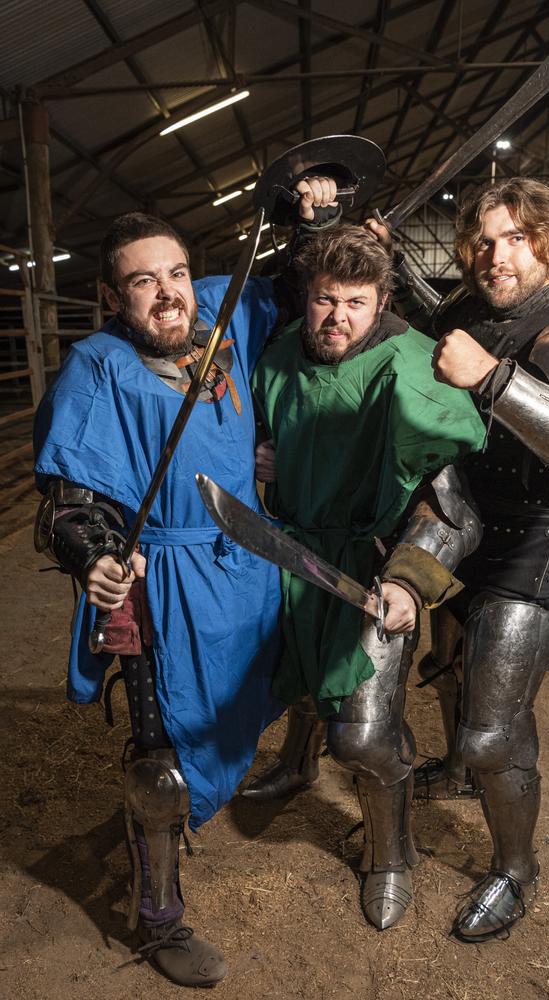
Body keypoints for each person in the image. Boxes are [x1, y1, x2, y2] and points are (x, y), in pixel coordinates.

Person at [32, 181, 339, 986]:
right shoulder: (96, 368)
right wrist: (96, 555)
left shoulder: (220, 310)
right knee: (157, 760)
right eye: (142, 281)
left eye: (174, 272)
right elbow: (68, 503)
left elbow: (299, 280)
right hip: (157, 582)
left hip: (244, 565)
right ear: (112, 295)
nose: (167, 293)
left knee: (248, 700)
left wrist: (314, 214)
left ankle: (205, 797)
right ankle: (159, 918)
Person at [383, 177, 549, 941]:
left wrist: (494, 380)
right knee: (448, 671)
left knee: (494, 730)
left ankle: (516, 870)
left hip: (538, 539)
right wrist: (387, 250)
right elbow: (438, 321)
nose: (499, 256)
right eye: (486, 242)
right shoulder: (471, 311)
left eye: (519, 240)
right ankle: (460, 776)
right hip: (462, 523)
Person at [242, 222, 486, 930]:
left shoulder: (412, 369)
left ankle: (391, 853)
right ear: (305, 298)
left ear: (382, 299)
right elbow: (259, 429)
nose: (337, 317)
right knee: (298, 674)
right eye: (324, 299)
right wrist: (259, 455)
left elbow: (451, 502)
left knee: (366, 738)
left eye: (355, 301)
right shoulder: (281, 354)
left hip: (374, 564)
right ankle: (296, 764)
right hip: (294, 550)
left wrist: (409, 581)